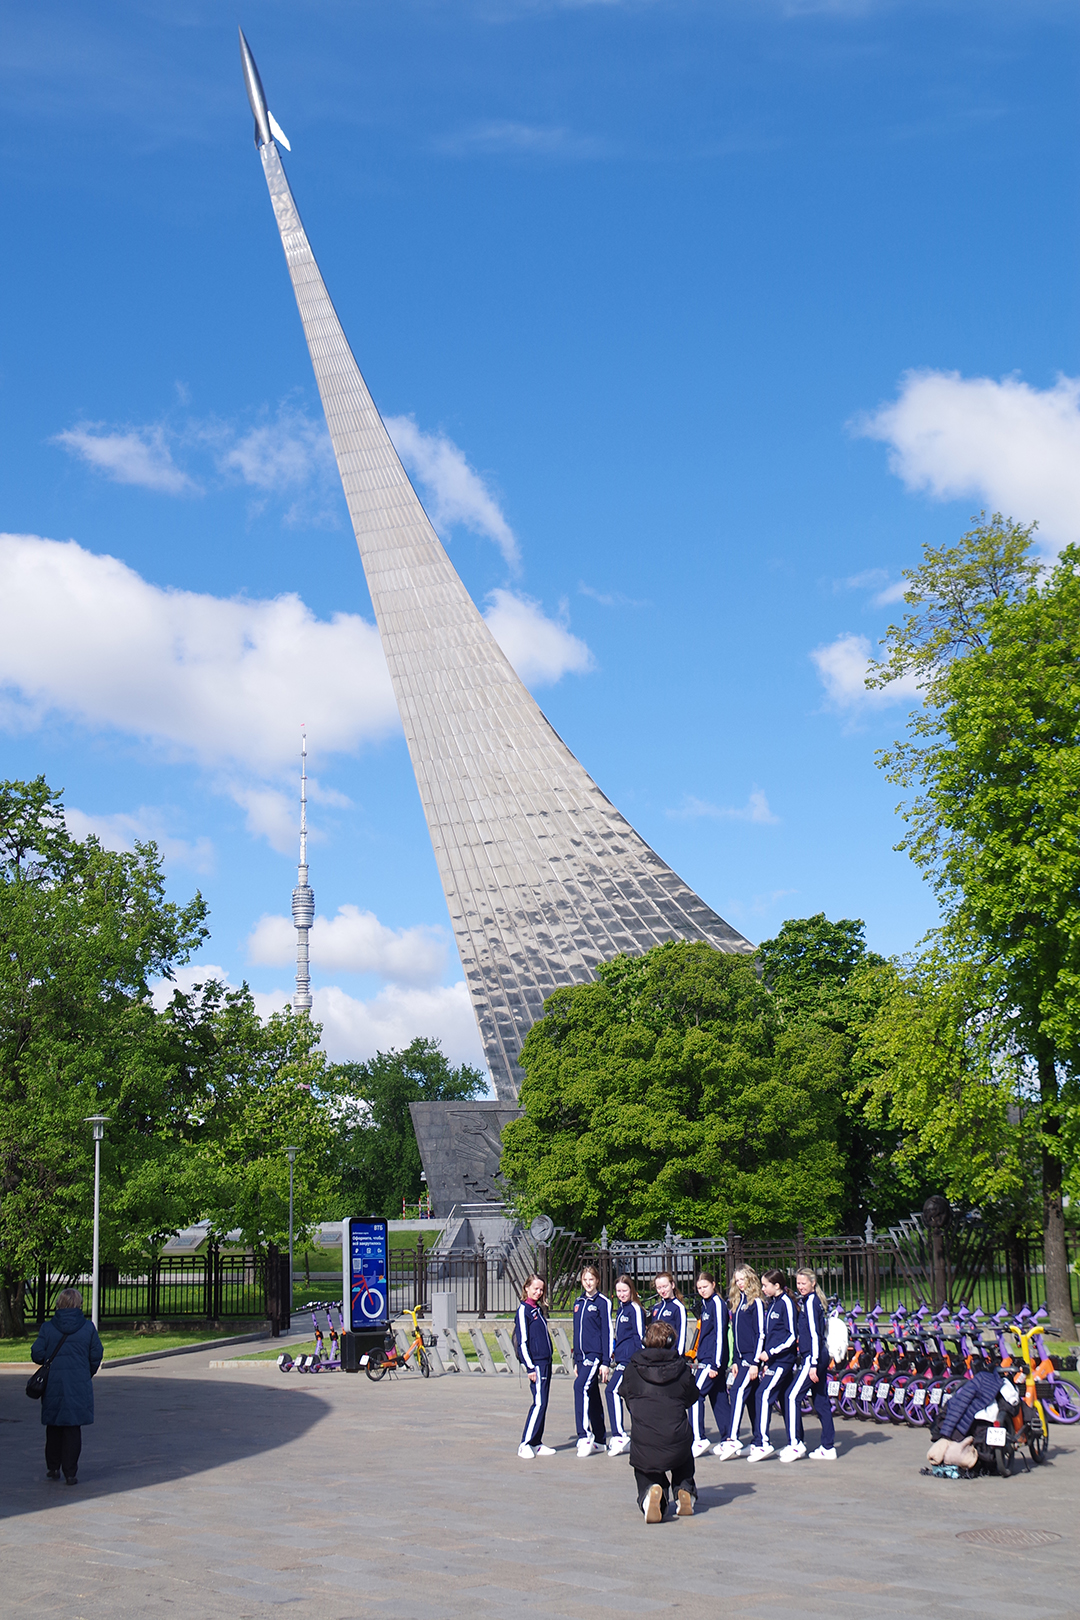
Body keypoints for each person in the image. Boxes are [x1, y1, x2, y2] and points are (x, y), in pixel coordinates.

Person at [620, 1320, 701, 1522]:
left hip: (645, 1439)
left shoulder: (632, 1368)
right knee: (682, 1450)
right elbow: (692, 1397)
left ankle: (650, 1493)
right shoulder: (682, 1368)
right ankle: (685, 1490)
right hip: (676, 1438)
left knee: (645, 1463)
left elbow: (626, 1397)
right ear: (671, 1341)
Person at [30, 1287, 103, 1485]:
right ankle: (70, 1472)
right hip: (78, 1385)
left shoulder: (47, 1328)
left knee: (54, 1426)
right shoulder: (88, 1328)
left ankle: (53, 1467)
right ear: (79, 1304)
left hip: (53, 1384)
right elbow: (96, 1355)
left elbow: (37, 1354)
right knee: (72, 1428)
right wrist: (86, 1373)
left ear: (59, 1304)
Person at [715, 1265, 765, 1458]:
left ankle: (732, 1438)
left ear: (751, 1279)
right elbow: (735, 1334)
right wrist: (735, 1360)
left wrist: (754, 1362)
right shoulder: (737, 1303)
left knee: (736, 1391)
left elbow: (760, 1333)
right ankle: (758, 1439)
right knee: (752, 1399)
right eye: (737, 1280)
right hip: (741, 1358)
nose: (740, 1283)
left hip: (751, 1358)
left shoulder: (756, 1303)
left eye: (743, 1279)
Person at [787, 1267, 836, 1461]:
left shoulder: (810, 1302)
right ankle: (828, 1445)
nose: (800, 1287)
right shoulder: (811, 1301)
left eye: (803, 1283)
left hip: (813, 1357)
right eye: (798, 1283)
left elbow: (815, 1335)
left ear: (813, 1283)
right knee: (821, 1399)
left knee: (792, 1396)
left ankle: (795, 1443)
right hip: (817, 1356)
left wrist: (813, 1363)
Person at [749, 1268, 798, 1462]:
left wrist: (771, 1352)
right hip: (774, 1360)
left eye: (766, 1285)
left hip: (783, 1359)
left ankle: (762, 1442)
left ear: (777, 1285)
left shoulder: (786, 1303)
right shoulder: (773, 1304)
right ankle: (795, 1441)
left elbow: (791, 1335)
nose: (763, 1288)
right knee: (786, 1400)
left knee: (763, 1394)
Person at [602, 1274, 645, 1456]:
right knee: (630, 1398)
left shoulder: (634, 1308)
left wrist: (640, 1360)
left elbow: (640, 1334)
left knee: (611, 1391)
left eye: (625, 1290)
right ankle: (642, 1434)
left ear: (631, 1290)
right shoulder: (620, 1309)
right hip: (621, 1358)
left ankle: (619, 1434)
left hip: (630, 1360)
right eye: (618, 1291)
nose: (621, 1294)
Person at [572, 1264, 612, 1456]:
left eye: (592, 1279)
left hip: (594, 1355)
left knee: (580, 1387)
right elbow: (576, 1332)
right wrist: (575, 1359)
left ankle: (583, 1435)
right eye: (585, 1279)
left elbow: (606, 1332)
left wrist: (605, 1362)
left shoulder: (602, 1302)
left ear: (597, 1280)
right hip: (581, 1357)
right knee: (592, 1393)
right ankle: (600, 1437)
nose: (588, 1283)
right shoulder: (578, 1302)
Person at [515, 1274, 556, 1459]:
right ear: (526, 1288)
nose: (538, 1292)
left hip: (546, 1361)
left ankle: (536, 1442)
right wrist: (530, 1366)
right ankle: (525, 1443)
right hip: (536, 1363)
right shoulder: (523, 1310)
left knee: (544, 1403)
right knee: (538, 1403)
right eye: (535, 1288)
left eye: (541, 1289)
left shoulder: (537, 1309)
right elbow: (522, 1342)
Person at [690, 1270, 730, 1456]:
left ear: (713, 1284)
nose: (702, 1290)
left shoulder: (717, 1304)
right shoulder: (705, 1304)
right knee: (719, 1397)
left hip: (712, 1360)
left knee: (694, 1395)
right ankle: (728, 1437)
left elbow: (720, 1334)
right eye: (699, 1288)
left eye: (705, 1286)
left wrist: (715, 1363)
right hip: (706, 1357)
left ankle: (698, 1438)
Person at [650, 1271, 688, 1354]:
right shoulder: (657, 1307)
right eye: (659, 1288)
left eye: (665, 1286)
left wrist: (678, 1354)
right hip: (656, 1354)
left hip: (670, 1354)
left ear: (672, 1285)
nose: (662, 1290)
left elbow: (681, 1334)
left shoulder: (678, 1307)